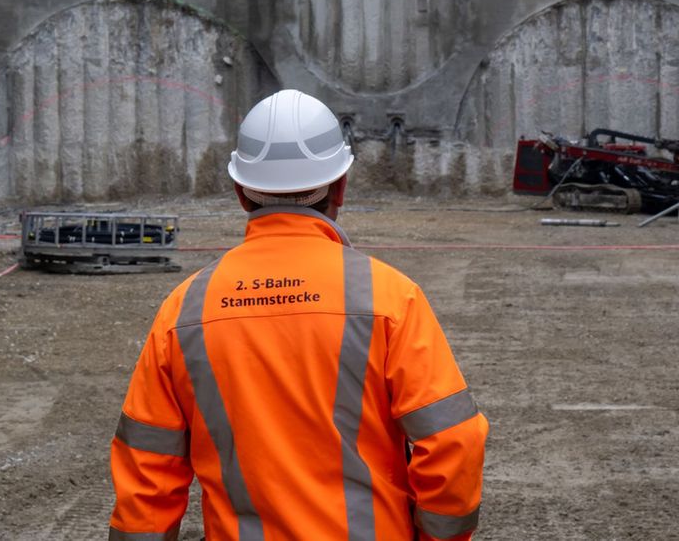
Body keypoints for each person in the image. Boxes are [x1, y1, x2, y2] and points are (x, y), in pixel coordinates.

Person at [109, 89, 488, 541]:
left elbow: (147, 471)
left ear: (241, 193)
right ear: (341, 186)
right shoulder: (389, 299)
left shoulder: (185, 309)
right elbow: (452, 441)